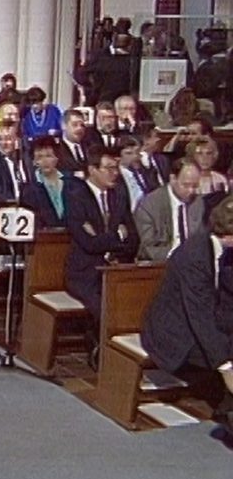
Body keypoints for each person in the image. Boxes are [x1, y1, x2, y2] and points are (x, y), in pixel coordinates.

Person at [141, 195, 233, 429]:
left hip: (206, 316)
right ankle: (228, 410)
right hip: (173, 332)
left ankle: (226, 408)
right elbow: (199, 316)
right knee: (226, 353)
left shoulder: (225, 251)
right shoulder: (195, 256)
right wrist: (225, 366)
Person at [63, 146, 138, 338]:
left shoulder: (119, 194)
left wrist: (109, 240)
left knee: (136, 302)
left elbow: (133, 239)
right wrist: (118, 236)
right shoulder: (75, 195)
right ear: (92, 170)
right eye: (109, 168)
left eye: (116, 168)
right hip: (86, 272)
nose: (115, 173)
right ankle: (98, 350)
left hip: (117, 266)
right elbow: (88, 243)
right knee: (104, 307)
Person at [135, 158, 204, 261]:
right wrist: (177, 255)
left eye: (195, 186)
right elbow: (148, 247)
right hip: (161, 264)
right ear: (173, 179)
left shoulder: (198, 202)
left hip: (193, 263)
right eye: (186, 185)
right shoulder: (149, 205)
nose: (191, 191)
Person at [19, 137, 68, 229]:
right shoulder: (28, 191)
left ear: (57, 158)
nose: (45, 161)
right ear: (34, 162)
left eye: (48, 156)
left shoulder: (71, 184)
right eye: (39, 157)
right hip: (45, 239)